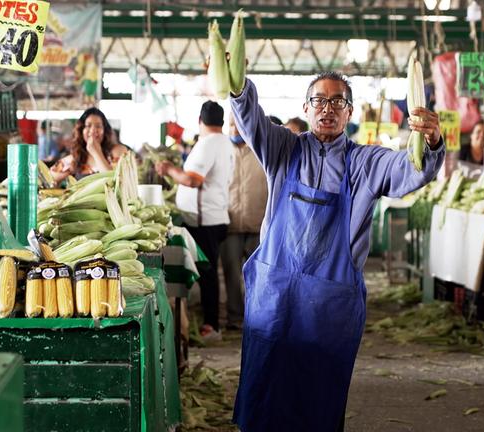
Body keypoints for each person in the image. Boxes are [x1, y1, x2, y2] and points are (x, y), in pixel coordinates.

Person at [230, 70, 444, 431]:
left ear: (349, 112)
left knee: (317, 399)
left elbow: (410, 168)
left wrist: (433, 141)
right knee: (263, 390)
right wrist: (236, 85)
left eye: (337, 102)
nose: (327, 109)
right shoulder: (282, 148)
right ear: (306, 107)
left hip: (328, 308)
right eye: (319, 100)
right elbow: (250, 120)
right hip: (274, 298)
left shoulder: (366, 163)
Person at [155, 101, 234, 341]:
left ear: (200, 121)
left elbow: (192, 180)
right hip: (214, 215)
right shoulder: (224, 142)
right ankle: (210, 322)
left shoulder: (208, 144)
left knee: (207, 272)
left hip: (204, 219)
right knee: (208, 270)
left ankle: (211, 326)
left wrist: (168, 169)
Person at [219, 113, 268, 331]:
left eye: (239, 124)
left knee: (258, 275)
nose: (235, 129)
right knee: (231, 273)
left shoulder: (262, 150)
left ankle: (257, 317)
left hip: (258, 224)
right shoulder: (220, 151)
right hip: (230, 226)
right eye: (231, 125)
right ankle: (235, 317)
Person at [50, 108, 128, 182]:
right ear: (81, 130)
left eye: (98, 126)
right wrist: (57, 179)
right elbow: (50, 178)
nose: (93, 130)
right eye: (88, 126)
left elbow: (114, 183)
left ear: (105, 130)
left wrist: (96, 152)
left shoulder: (117, 151)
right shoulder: (75, 158)